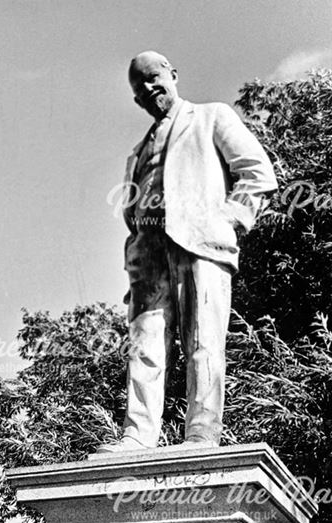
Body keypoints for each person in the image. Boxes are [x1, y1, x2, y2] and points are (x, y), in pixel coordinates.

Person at [95, 51, 277, 454]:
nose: (147, 87)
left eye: (153, 76)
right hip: (149, 255)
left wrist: (229, 219)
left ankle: (201, 434)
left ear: (173, 74)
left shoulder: (211, 116)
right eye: (138, 85)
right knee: (143, 347)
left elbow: (258, 173)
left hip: (201, 245)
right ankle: (137, 435)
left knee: (204, 341)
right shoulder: (136, 151)